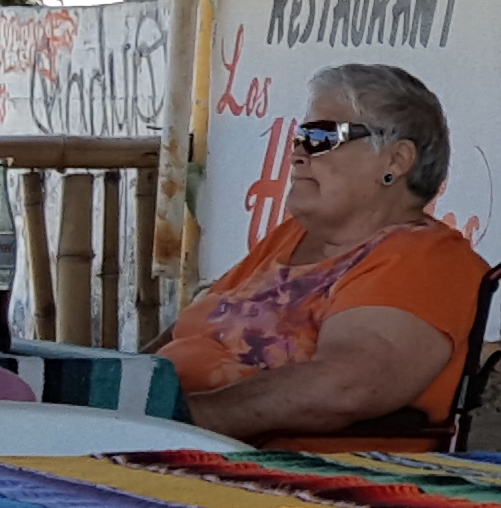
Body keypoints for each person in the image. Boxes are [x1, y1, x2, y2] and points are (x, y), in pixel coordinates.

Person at [163, 64, 484, 444]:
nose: (297, 154)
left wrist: (182, 419)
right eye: (300, 137)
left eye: (321, 137)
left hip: (264, 465)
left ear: (396, 161)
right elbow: (182, 333)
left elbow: (346, 385)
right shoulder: (294, 237)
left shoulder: (427, 259)